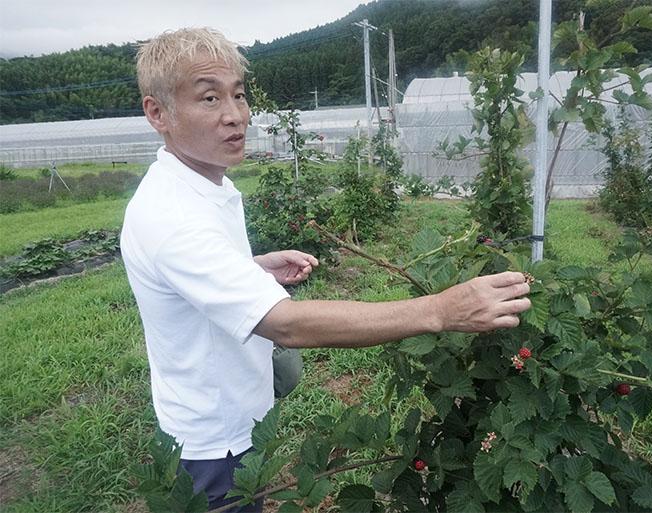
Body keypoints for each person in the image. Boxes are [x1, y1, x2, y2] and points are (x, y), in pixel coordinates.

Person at [121, 27, 531, 512]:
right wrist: (442, 310)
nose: (235, 115)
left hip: (232, 414)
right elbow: (286, 324)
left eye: (239, 95)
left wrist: (250, 269)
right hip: (214, 441)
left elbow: (189, 274)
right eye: (209, 98)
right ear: (158, 113)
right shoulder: (173, 215)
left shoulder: (203, 185)